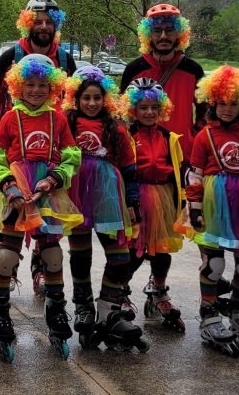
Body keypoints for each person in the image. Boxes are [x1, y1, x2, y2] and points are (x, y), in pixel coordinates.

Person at [0, 54, 83, 362]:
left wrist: (55, 178)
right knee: (7, 256)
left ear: (52, 87)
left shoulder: (58, 118)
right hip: (17, 192)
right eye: (30, 84)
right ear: (19, 86)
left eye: (43, 85)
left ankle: (56, 309)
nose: (37, 90)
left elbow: (72, 155)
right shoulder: (9, 118)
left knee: (52, 254)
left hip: (48, 192)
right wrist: (7, 185)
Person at [183, 65, 239, 356]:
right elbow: (194, 174)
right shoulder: (204, 136)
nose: (226, 109)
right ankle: (209, 314)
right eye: (221, 103)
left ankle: (238, 309)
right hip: (213, 203)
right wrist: (195, 207)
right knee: (214, 265)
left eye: (233, 103)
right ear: (212, 102)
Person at [60, 66, 147, 352]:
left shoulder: (115, 126)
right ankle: (83, 306)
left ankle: (108, 308)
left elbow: (129, 166)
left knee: (120, 256)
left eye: (97, 97)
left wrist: (133, 199)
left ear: (105, 99)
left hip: (109, 195)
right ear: (76, 98)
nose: (92, 103)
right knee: (80, 254)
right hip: (77, 193)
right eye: (86, 97)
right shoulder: (67, 122)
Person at [121, 78, 188, 333]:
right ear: (133, 111)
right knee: (133, 252)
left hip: (163, 197)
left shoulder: (169, 137)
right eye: (143, 108)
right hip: (136, 197)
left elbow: (178, 170)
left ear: (162, 110)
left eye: (153, 108)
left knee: (161, 251)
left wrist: (182, 201)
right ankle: (120, 292)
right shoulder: (128, 136)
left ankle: (158, 290)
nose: (149, 112)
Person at [0, 0, 78, 151]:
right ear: (27, 24)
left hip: (55, 138)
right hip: (17, 137)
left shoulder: (65, 60)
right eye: (38, 22)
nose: (44, 26)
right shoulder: (10, 57)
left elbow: (75, 99)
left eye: (49, 22)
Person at [119, 4, 206, 150]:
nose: (163, 36)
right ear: (148, 35)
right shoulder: (134, 69)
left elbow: (206, 112)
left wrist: (194, 138)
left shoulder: (193, 70)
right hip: (142, 155)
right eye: (157, 31)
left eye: (170, 30)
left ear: (179, 34)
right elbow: (123, 114)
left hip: (182, 153)